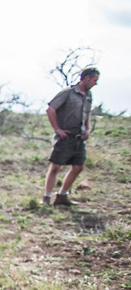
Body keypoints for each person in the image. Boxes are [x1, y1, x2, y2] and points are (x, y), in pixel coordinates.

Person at [43, 67, 99, 206]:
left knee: (78, 166)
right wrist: (57, 129)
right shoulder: (68, 93)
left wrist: (86, 129)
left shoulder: (88, 95)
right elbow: (50, 109)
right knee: (55, 166)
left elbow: (86, 113)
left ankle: (62, 196)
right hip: (65, 136)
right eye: (94, 80)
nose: (95, 83)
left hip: (78, 137)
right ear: (86, 78)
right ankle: (46, 197)